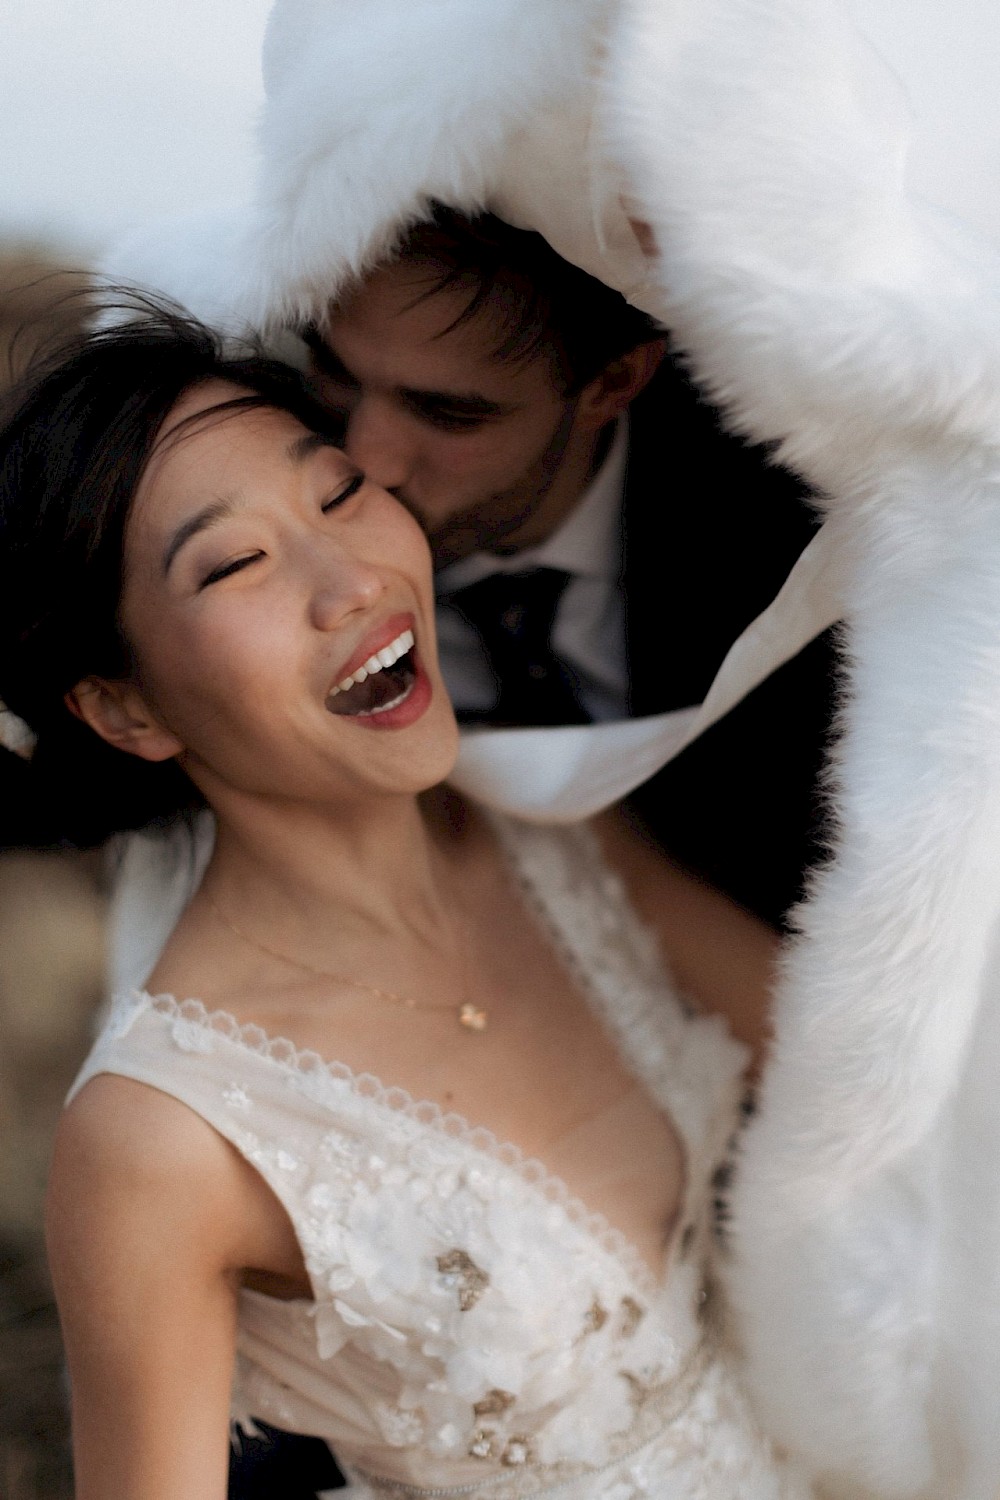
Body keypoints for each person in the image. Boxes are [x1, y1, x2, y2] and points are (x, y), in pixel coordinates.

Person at [2, 311, 813, 1497]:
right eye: (234, 564)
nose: (351, 580)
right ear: (128, 711)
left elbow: (853, 1071)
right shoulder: (161, 1140)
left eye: (337, 493)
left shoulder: (554, 831)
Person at [303, 208, 838, 931]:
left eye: (448, 413)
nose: (367, 459)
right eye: (337, 373)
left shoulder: (795, 527)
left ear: (612, 383)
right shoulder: (266, 459)